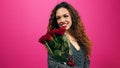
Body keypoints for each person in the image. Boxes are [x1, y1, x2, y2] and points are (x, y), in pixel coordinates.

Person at [43, 1, 92, 68]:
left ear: (72, 17)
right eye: (58, 18)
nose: (62, 20)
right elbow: (52, 65)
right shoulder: (56, 41)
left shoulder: (81, 38)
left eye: (65, 16)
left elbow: (86, 63)